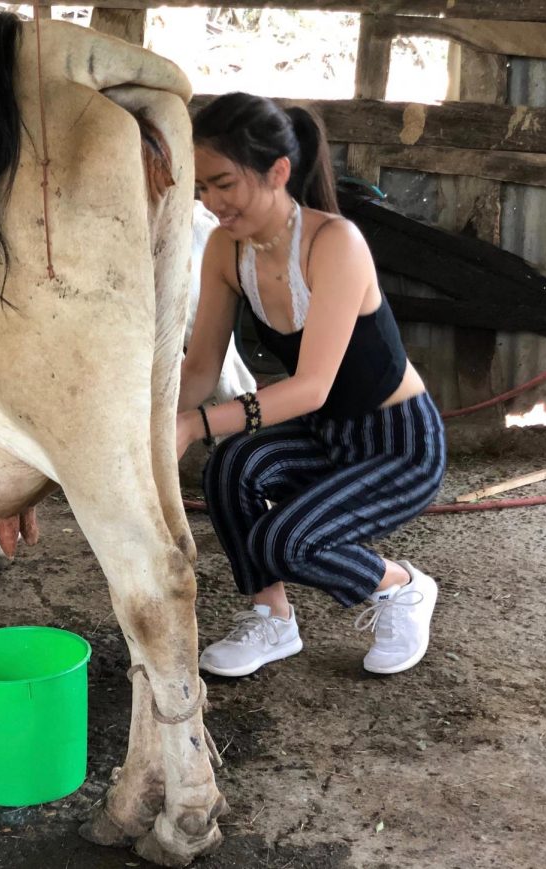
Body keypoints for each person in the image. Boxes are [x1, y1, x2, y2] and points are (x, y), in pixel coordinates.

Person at [178, 92, 446, 678]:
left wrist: (193, 426)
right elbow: (199, 371)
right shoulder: (227, 248)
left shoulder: (335, 244)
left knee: (285, 539)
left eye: (224, 183)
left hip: (397, 444)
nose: (211, 202)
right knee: (229, 469)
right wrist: (144, 424)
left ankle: (401, 587)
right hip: (326, 437)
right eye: (200, 187)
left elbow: (311, 387)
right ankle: (272, 619)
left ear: (278, 172)